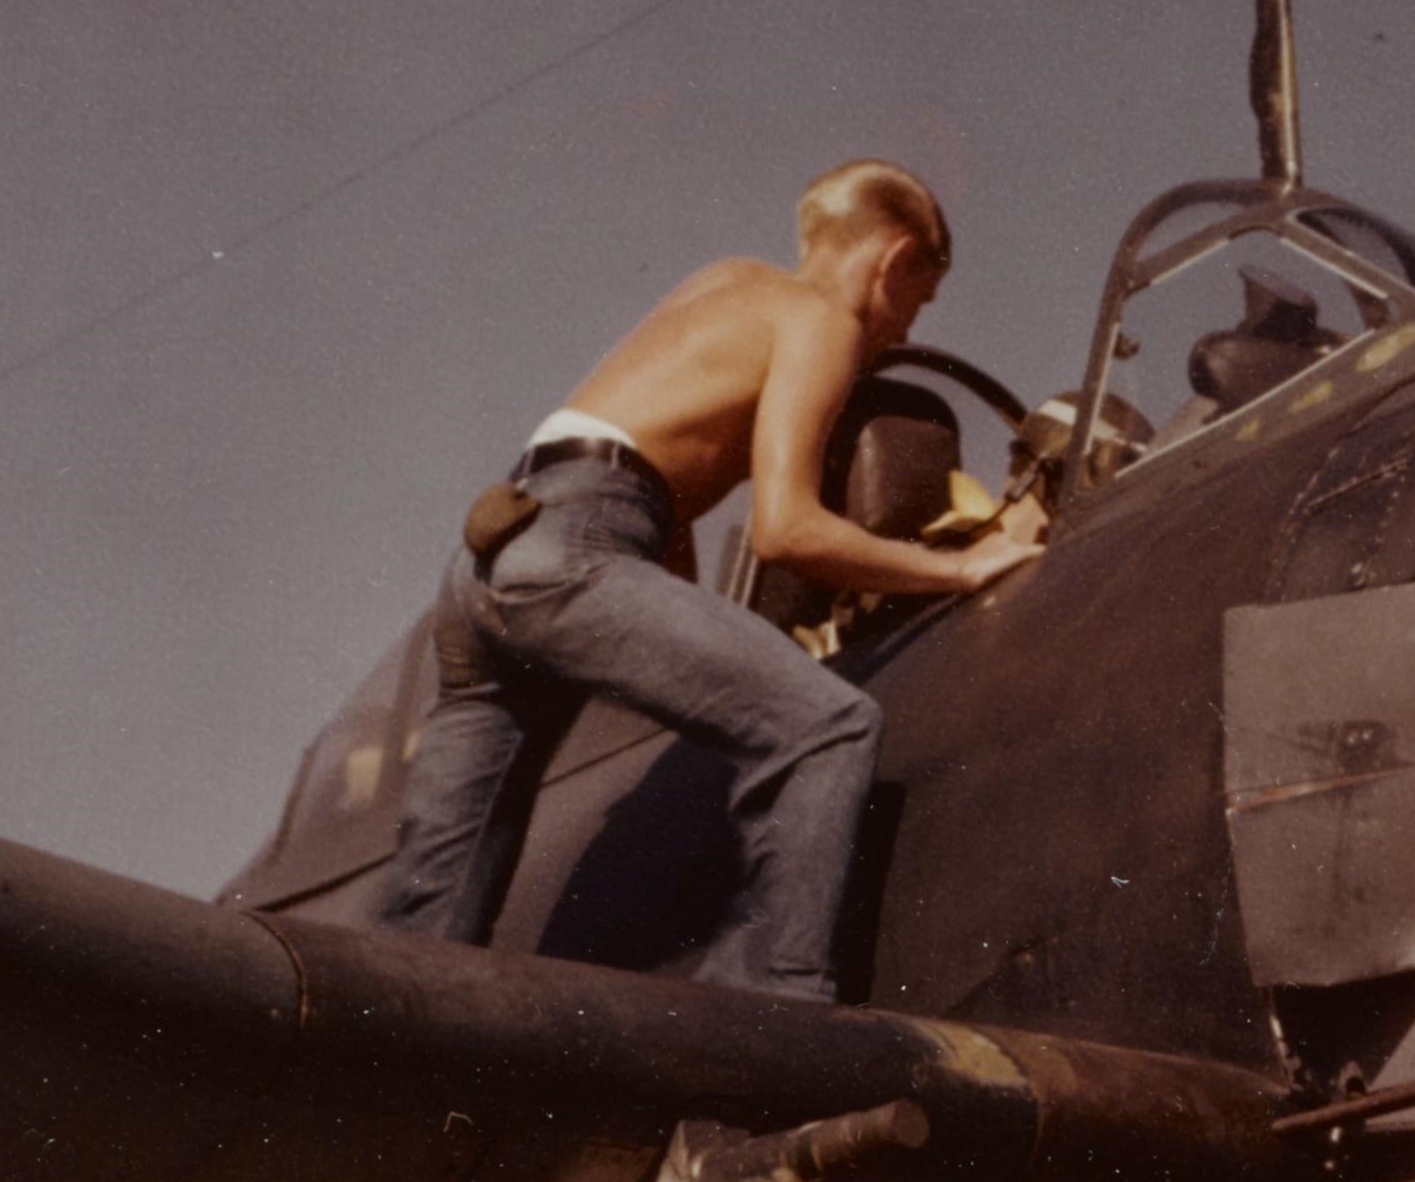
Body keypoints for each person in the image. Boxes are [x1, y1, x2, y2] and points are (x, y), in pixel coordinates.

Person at [371, 160, 1040, 1002]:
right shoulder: (822, 319)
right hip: (583, 545)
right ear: (892, 259)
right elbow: (785, 527)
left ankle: (363, 1090)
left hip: (493, 558)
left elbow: (665, 497)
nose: (904, 331)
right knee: (828, 727)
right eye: (919, 299)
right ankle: (773, 1016)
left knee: (427, 921)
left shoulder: (728, 283)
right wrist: (961, 564)